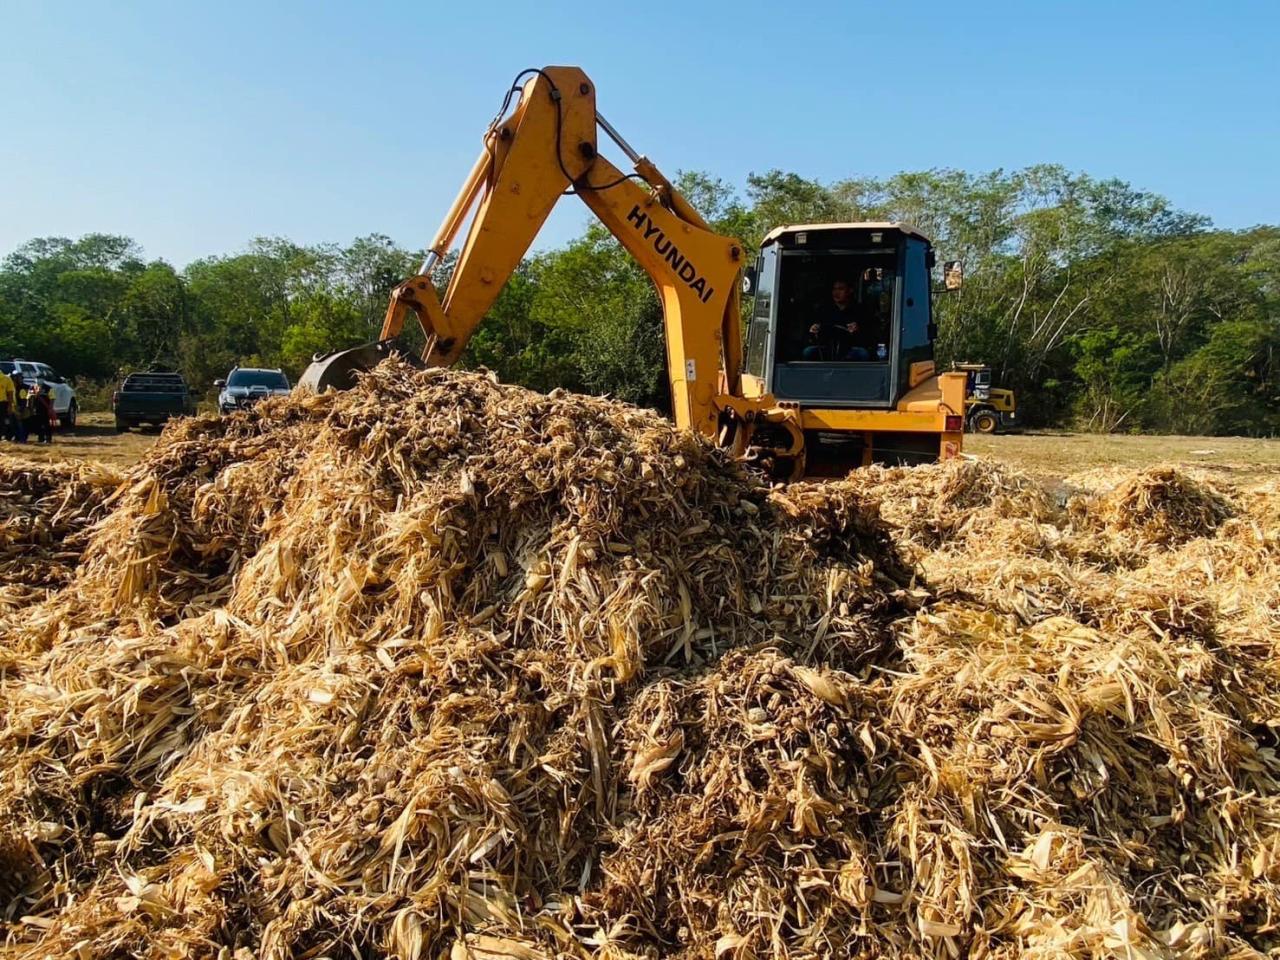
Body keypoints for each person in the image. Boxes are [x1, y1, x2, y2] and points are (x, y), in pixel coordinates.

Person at [803, 279, 871, 361]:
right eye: (834, 289)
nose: (836, 293)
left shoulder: (859, 310)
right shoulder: (824, 309)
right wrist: (814, 331)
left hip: (849, 349)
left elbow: (867, 337)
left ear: (850, 290)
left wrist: (857, 330)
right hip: (827, 348)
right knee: (808, 351)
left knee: (863, 353)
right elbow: (814, 335)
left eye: (841, 289)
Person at [9, 373, 28, 443]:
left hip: (19, 409)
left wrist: (21, 410)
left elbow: (23, 401)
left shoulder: (21, 389)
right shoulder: (13, 389)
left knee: (20, 424)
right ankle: (17, 437)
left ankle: (22, 439)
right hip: (13, 408)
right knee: (13, 424)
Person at [0, 369, 13, 441]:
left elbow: (10, 393)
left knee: (4, 421)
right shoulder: (7, 378)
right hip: (3, 404)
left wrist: (10, 406)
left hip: (3, 404)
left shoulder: (6, 379)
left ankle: (6, 436)